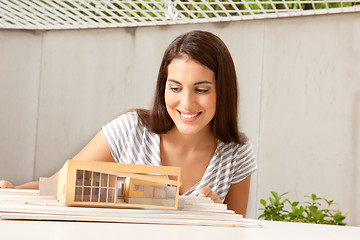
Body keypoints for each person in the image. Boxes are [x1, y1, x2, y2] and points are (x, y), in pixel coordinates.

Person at [0, 30, 257, 216]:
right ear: (162, 88)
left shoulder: (237, 152)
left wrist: (218, 216)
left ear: (223, 91)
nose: (186, 103)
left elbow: (237, 229)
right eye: (175, 88)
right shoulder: (130, 130)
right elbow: (60, 185)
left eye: (201, 90)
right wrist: (15, 190)